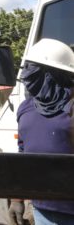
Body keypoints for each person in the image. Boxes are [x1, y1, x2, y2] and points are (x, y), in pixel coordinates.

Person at [9, 38, 74, 225]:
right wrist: (16, 199)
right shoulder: (26, 108)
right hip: (42, 210)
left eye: (33, 68)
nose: (27, 74)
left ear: (51, 73)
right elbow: (23, 154)